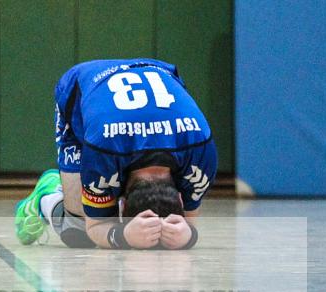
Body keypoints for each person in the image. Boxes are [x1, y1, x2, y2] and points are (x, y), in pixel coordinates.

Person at [14, 58, 217, 250]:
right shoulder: (103, 152)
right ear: (122, 203)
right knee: (76, 231)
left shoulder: (201, 155)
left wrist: (188, 235)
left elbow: (189, 223)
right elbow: (94, 227)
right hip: (81, 87)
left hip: (151, 78)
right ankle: (47, 196)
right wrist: (124, 236)